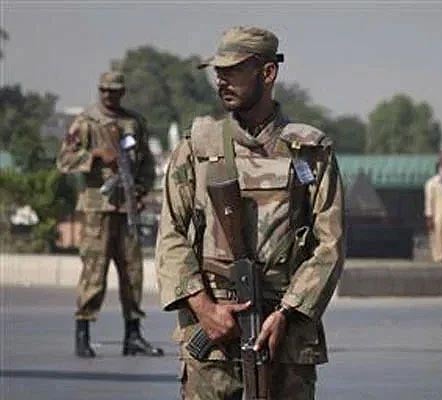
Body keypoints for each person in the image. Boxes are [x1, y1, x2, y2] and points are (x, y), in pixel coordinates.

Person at [156, 26, 345, 399]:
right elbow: (171, 235)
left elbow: (330, 245)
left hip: (285, 332)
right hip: (213, 333)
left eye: (233, 70)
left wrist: (287, 313)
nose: (221, 80)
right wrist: (205, 308)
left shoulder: (309, 150)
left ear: (268, 73)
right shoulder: (197, 148)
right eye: (218, 71)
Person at [56, 71, 162, 358]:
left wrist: (140, 191)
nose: (109, 95)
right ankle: (83, 332)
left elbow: (147, 164)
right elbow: (64, 159)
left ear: (122, 92)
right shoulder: (86, 123)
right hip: (96, 209)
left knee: (132, 272)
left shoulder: (134, 123)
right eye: (104, 90)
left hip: (127, 206)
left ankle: (133, 335)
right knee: (94, 271)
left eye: (114, 91)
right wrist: (95, 156)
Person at [424, 158, 442, 262]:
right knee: (437, 240)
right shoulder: (431, 183)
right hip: (437, 216)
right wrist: (429, 216)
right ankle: (438, 259)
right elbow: (429, 201)